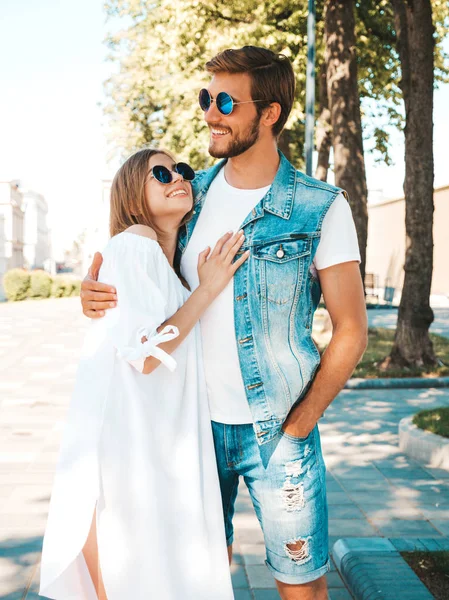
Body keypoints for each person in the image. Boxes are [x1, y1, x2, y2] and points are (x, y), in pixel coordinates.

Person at [81, 47, 368, 600]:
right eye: (206, 98)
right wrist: (96, 298)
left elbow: (351, 329)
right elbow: (142, 286)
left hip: (278, 434)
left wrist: (300, 423)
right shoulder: (189, 195)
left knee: (302, 588)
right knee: (197, 581)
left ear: (270, 114)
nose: (210, 113)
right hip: (191, 429)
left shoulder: (320, 206)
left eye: (226, 101)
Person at [40, 148, 246, 600]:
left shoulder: (159, 261)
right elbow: (147, 353)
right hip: (127, 437)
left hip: (148, 433)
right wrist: (208, 288)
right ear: (134, 194)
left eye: (184, 171)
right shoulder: (134, 242)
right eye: (161, 172)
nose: (179, 177)